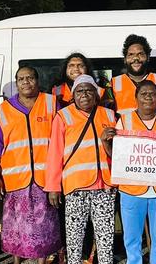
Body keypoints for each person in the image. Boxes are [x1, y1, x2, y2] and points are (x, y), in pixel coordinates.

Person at [45, 74, 116, 264]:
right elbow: (54, 153)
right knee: (74, 240)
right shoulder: (63, 116)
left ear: (96, 93)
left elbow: (119, 151)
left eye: (89, 90)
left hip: (104, 186)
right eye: (79, 91)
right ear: (73, 95)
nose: (84, 94)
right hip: (76, 188)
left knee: (105, 238)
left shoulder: (109, 115)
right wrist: (53, 186)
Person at [0, 66, 61, 263]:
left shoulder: (50, 103)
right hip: (15, 179)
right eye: (21, 79)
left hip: (44, 178)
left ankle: (42, 259)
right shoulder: (4, 110)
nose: (26, 82)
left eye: (30, 78)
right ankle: (17, 259)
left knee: (44, 224)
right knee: (16, 224)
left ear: (37, 81)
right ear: (16, 83)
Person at [112, 80, 156, 264]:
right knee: (132, 240)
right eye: (144, 94)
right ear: (136, 98)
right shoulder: (124, 120)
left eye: (152, 94)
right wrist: (105, 142)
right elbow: (118, 156)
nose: (148, 97)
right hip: (131, 190)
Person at [111, 35, 156, 115]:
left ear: (148, 57)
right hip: (123, 127)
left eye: (140, 54)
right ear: (124, 59)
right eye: (131, 54)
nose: (136, 58)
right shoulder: (112, 84)